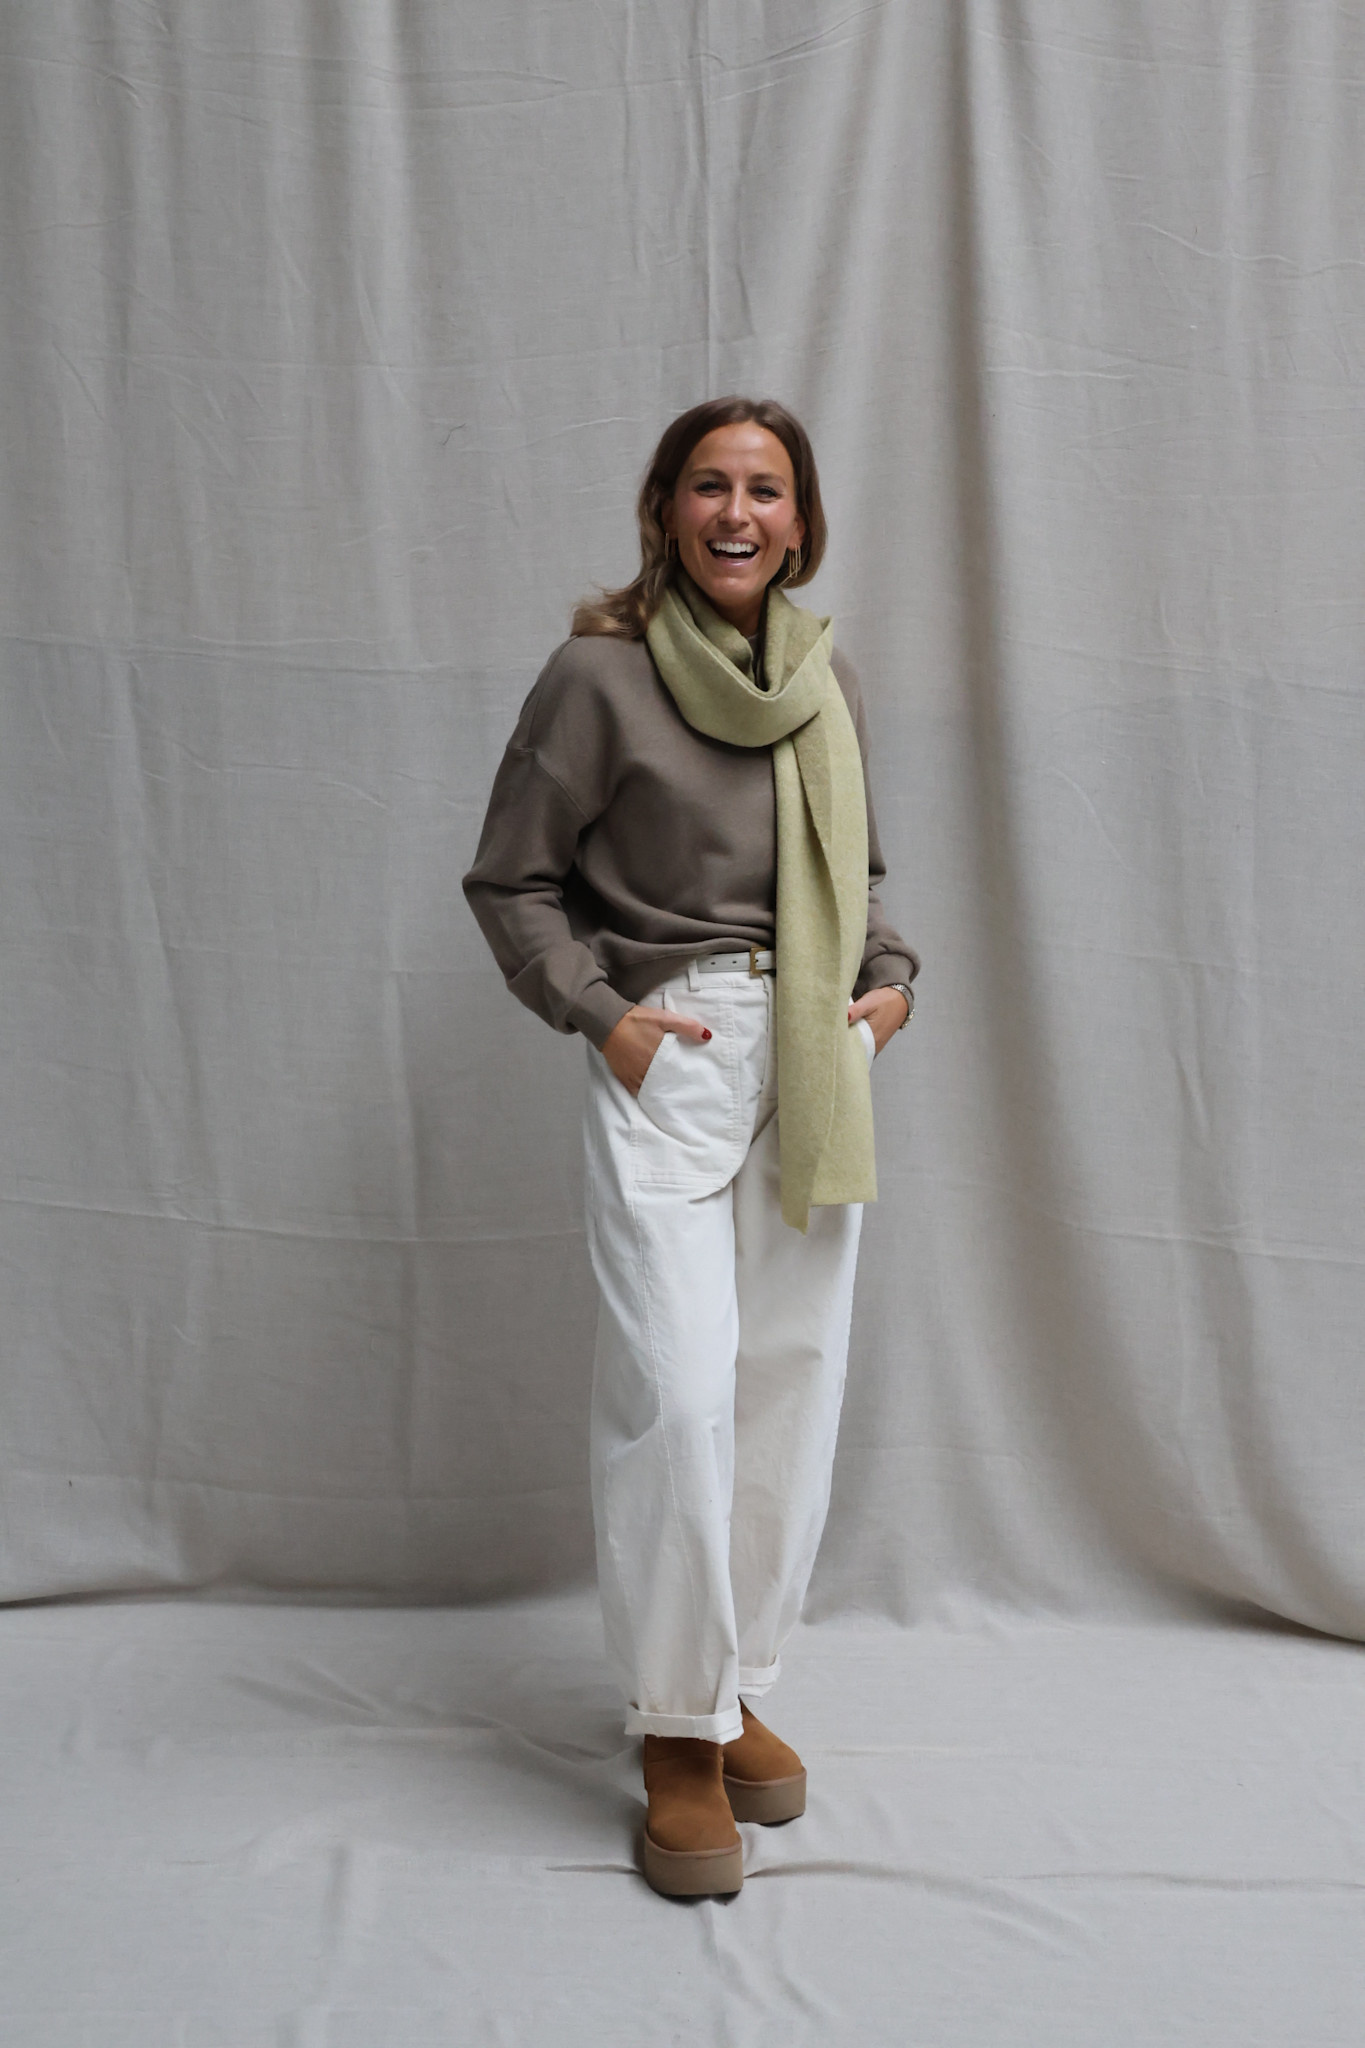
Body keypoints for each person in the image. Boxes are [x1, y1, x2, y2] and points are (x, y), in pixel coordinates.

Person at [463, 396, 918, 1898]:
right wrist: (606, 1021)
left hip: (818, 1056)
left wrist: (890, 988)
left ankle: (732, 1689)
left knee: (790, 1385)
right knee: (677, 1395)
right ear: (664, 507)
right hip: (678, 1051)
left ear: (801, 522)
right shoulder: (597, 676)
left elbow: (859, 880)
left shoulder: (823, 677)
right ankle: (673, 1725)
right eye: (709, 485)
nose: (738, 512)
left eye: (766, 489)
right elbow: (512, 882)